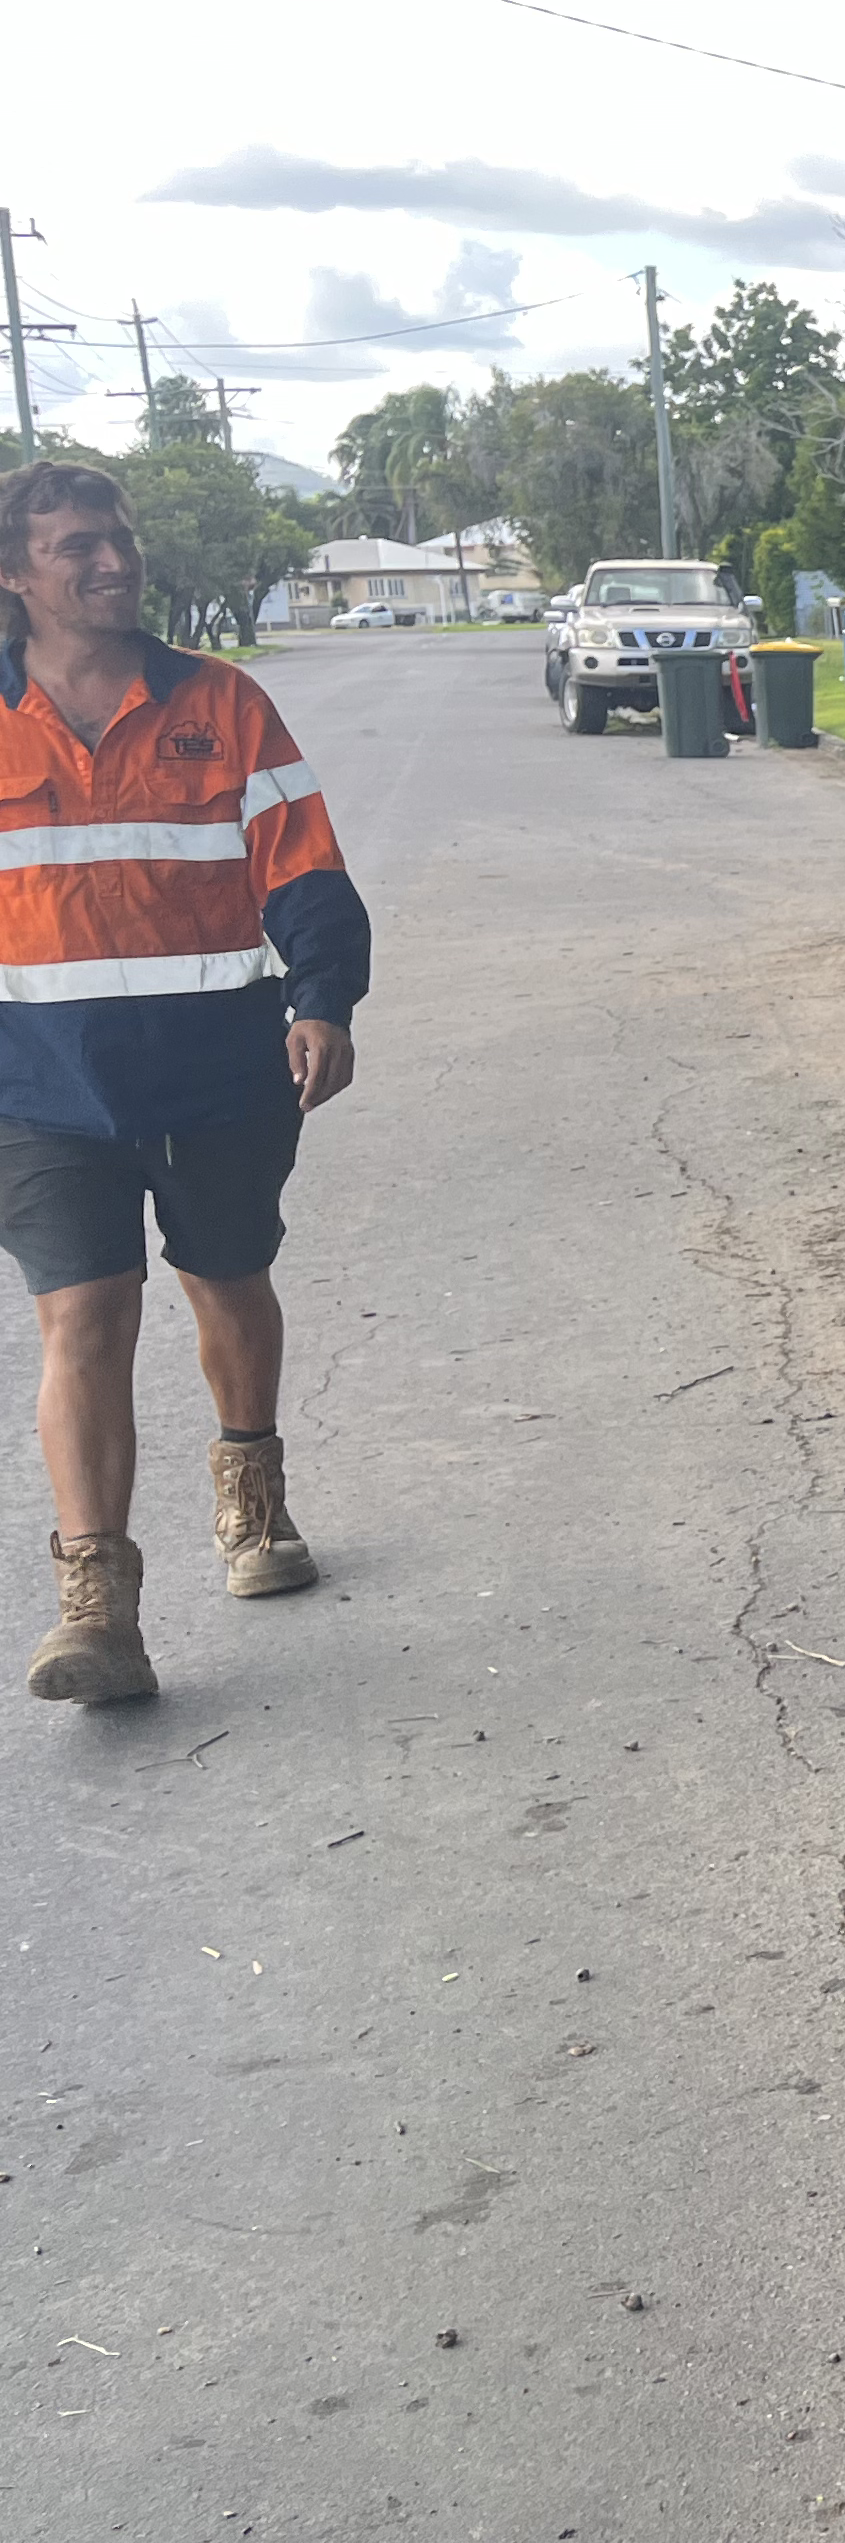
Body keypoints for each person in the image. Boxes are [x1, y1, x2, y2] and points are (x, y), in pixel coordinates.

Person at [0, 463, 369, 1704]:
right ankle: (96, 1607)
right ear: (14, 575)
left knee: (226, 1281)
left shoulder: (221, 703)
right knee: (84, 1314)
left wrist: (322, 998)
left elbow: (303, 869)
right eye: (76, 547)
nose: (112, 561)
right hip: (36, 1081)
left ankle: (252, 1495)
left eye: (119, 538)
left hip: (218, 1067)